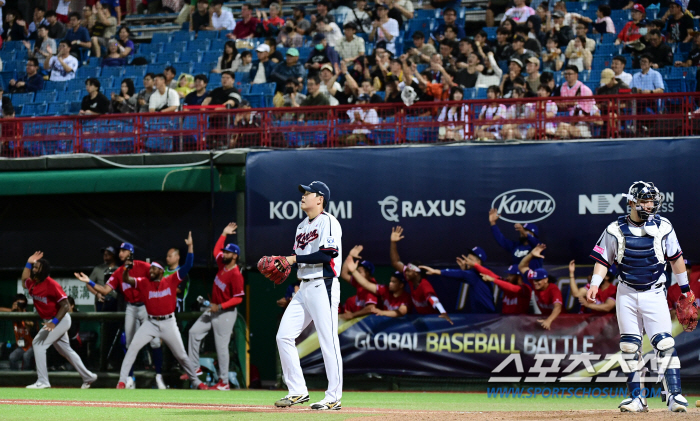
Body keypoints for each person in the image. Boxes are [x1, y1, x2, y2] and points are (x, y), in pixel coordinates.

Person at [587, 181, 691, 412]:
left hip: (654, 293)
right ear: (632, 202)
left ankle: (675, 396)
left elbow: (676, 258)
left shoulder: (664, 226)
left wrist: (686, 290)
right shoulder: (614, 229)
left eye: (652, 201)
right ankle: (637, 398)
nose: (650, 205)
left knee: (664, 343)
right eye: (645, 200)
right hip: (625, 293)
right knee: (629, 346)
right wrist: (595, 284)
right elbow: (603, 261)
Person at [81, 233, 203, 390]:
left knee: (181, 355)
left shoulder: (169, 279)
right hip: (148, 319)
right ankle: (123, 381)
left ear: (160, 271)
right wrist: (93, 280)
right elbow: (126, 281)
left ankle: (194, 381)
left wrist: (191, 247)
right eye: (150, 268)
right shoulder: (143, 281)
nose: (150, 270)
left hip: (167, 321)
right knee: (131, 347)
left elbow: (187, 266)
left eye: (154, 269)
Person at [273, 181, 344, 410]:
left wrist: (292, 259)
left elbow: (327, 255)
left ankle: (333, 397)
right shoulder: (302, 226)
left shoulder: (329, 221)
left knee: (328, 341)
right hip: (304, 287)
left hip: (324, 285)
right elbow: (298, 257)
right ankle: (298, 391)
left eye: (308, 193)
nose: (303, 196)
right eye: (303, 193)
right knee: (283, 336)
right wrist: (283, 264)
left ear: (320, 199)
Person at [80, 242, 165, 389]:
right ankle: (130, 378)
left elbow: (159, 279)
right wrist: (90, 282)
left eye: (124, 251)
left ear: (131, 253)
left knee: (155, 341)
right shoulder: (119, 271)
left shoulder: (143, 266)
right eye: (120, 251)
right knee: (129, 342)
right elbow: (106, 290)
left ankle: (159, 376)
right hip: (131, 307)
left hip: (146, 306)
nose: (121, 253)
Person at [22, 251, 97, 389]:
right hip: (50, 320)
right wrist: (28, 262)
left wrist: (53, 323)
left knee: (38, 343)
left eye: (36, 267)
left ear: (43, 270)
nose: (33, 269)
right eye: (33, 267)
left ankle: (43, 381)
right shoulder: (33, 284)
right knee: (65, 351)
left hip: (59, 320)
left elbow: (65, 305)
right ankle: (88, 376)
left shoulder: (51, 284)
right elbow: (23, 280)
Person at [185, 223, 243, 391]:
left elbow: (238, 298)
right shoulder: (223, 266)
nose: (223, 254)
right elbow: (215, 251)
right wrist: (224, 233)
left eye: (227, 252)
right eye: (225, 251)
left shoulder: (236, 274)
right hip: (214, 309)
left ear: (235, 256)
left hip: (226, 313)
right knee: (194, 332)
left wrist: (222, 305)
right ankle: (195, 367)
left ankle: (223, 382)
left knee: (221, 347)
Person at [389, 226, 453, 322]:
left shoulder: (424, 285)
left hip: (433, 321)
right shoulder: (411, 279)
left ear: (416, 273)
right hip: (422, 320)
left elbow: (434, 300)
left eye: (409, 271)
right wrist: (393, 243)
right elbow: (395, 262)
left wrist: (443, 313)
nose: (405, 272)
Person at [420, 247, 496, 314]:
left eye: (469, 259)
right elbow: (465, 276)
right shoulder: (475, 273)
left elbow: (462, 274)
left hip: (487, 315)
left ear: (478, 262)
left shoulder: (478, 274)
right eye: (467, 258)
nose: (466, 261)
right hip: (483, 314)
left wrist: (437, 271)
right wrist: (465, 270)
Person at [343, 248, 411, 318]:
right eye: (390, 281)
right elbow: (366, 284)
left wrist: (382, 312)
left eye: (393, 282)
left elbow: (402, 311)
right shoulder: (385, 290)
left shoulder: (406, 297)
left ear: (401, 285)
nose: (390, 283)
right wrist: (354, 271)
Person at [518, 244, 563, 330]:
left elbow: (558, 307)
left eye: (538, 280)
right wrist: (531, 255)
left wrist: (549, 321)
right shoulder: (535, 283)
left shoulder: (553, 289)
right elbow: (522, 266)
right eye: (534, 280)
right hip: (546, 321)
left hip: (560, 321)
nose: (535, 282)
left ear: (546, 280)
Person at [0, 294, 35, 370]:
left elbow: (30, 325)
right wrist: (12, 310)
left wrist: (22, 313)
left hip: (32, 345)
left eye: (21, 304)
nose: (20, 306)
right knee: (12, 357)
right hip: (22, 346)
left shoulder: (29, 314)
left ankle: (26, 377)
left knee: (26, 356)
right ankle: (15, 379)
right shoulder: (13, 314)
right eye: (18, 304)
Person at [89, 246, 119, 312]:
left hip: (116, 301)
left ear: (113, 255)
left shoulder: (119, 270)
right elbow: (88, 284)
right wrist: (96, 293)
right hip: (101, 301)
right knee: (101, 320)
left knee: (115, 320)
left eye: (108, 254)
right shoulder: (98, 269)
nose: (105, 256)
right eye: (104, 254)